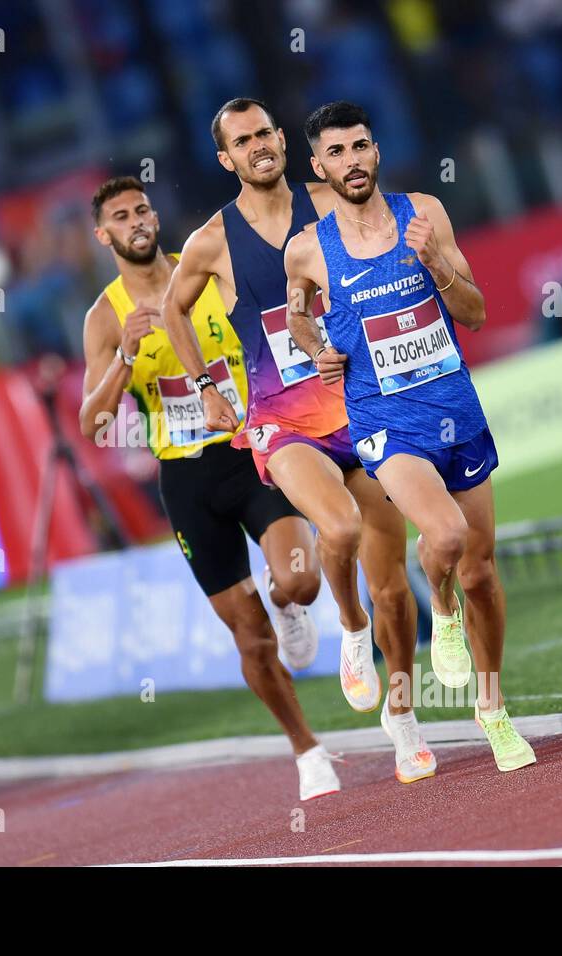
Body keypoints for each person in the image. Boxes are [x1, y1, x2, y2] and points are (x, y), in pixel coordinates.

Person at [162, 99, 432, 783]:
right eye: (242, 142)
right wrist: (205, 387)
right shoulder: (211, 241)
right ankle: (349, 626)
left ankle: (402, 719)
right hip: (281, 422)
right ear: (226, 159)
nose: (258, 148)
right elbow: (172, 307)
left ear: (282, 140)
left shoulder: (329, 202)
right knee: (335, 529)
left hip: (361, 408)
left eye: (265, 135)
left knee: (395, 586)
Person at [284, 100, 535, 772]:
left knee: (482, 571)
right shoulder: (308, 247)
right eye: (336, 153)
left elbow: (476, 312)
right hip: (385, 423)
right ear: (318, 167)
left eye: (360, 146)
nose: (351, 161)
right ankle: (441, 610)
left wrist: (437, 265)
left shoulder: (423, 215)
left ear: (376, 150)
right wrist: (317, 351)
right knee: (446, 538)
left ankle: (493, 708)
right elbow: (298, 317)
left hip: (455, 406)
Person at [78, 176, 335, 800]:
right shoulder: (106, 317)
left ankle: (287, 599)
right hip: (187, 480)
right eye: (121, 215)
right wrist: (123, 360)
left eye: (142, 209)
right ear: (103, 234)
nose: (136, 221)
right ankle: (307, 751)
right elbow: (94, 424)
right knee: (250, 638)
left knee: (300, 577)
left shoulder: (203, 268)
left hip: (253, 448)